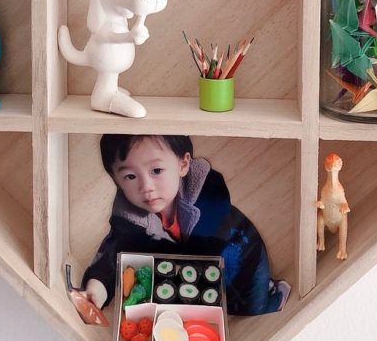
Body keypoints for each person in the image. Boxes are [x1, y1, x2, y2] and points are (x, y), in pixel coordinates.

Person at [80, 134, 290, 316]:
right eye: (130, 176)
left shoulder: (208, 194)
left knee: (252, 309)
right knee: (218, 307)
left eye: (156, 170)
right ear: (116, 180)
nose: (146, 187)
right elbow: (114, 252)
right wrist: (98, 286)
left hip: (244, 258)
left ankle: (275, 292)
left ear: (183, 164)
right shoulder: (128, 217)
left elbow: (205, 249)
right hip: (200, 277)